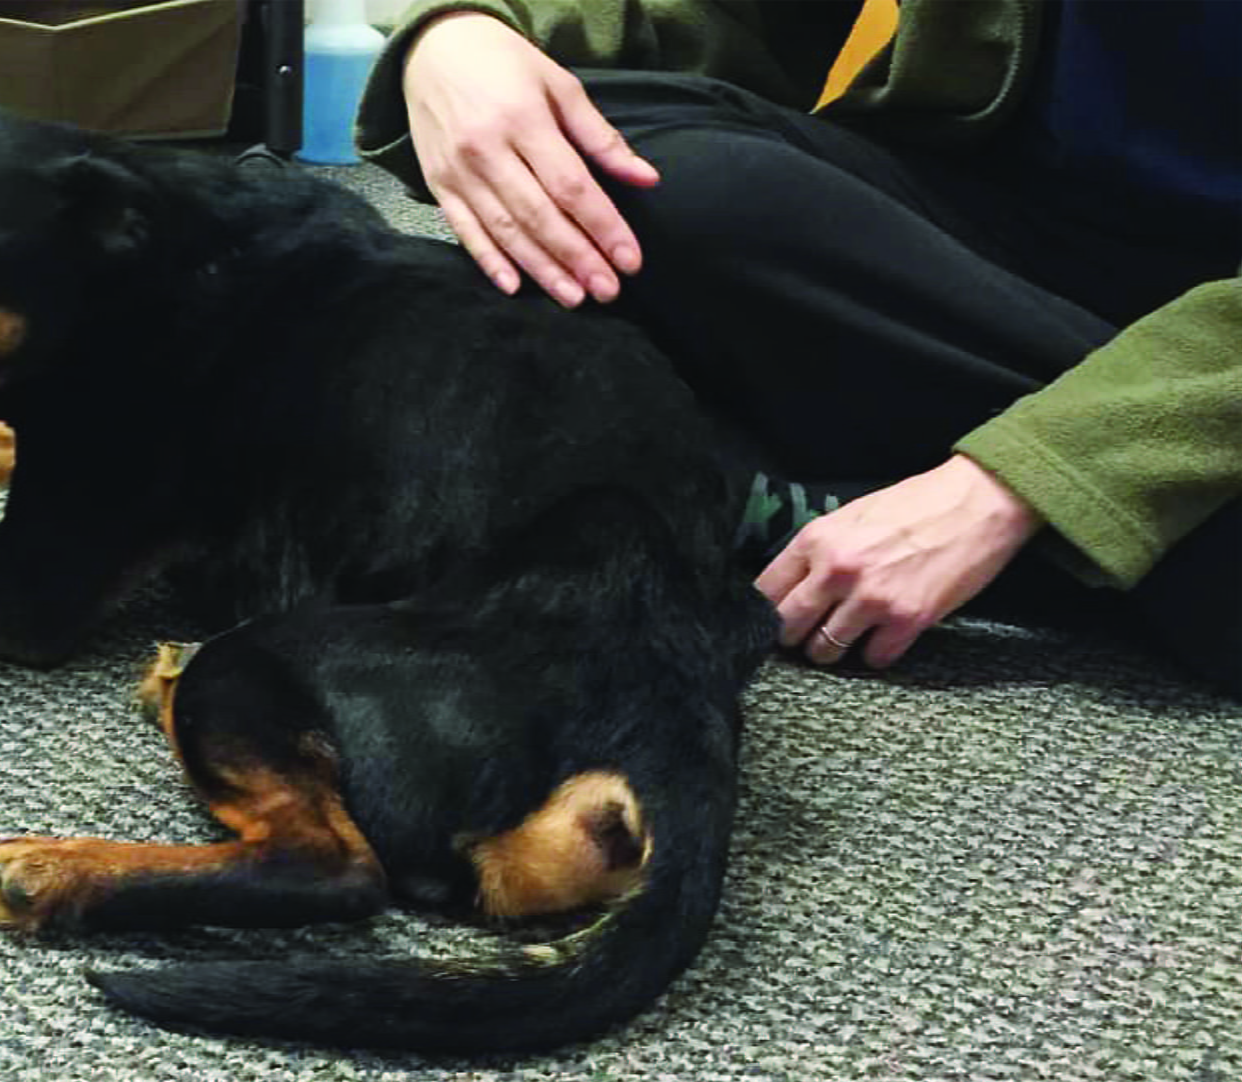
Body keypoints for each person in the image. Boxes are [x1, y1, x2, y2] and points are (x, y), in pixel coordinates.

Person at [352, 0, 1242, 698]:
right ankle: (1139, 519)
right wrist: (462, 33)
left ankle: (767, 497)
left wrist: (1020, 480)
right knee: (637, 165)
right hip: (1010, 250)